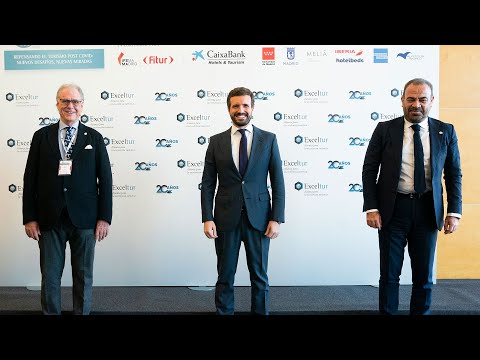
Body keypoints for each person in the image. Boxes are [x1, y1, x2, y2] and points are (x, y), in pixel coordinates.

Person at [362, 78, 462, 315]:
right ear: (402, 101)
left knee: (423, 276)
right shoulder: (385, 129)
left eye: (422, 99)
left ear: (431, 101)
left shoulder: (445, 131)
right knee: (389, 275)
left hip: (428, 211)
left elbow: (454, 173)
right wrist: (371, 207)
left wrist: (454, 212)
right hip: (392, 211)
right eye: (411, 99)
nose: (416, 104)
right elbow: (369, 169)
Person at [22, 83, 113, 315]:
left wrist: (104, 218)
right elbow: (30, 178)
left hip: (85, 220)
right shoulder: (41, 136)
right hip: (49, 219)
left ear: (82, 105)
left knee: (83, 274)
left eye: (74, 101)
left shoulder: (95, 137)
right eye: (65, 101)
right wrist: (29, 217)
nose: (69, 106)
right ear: (57, 104)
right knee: (50, 275)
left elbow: (105, 180)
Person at [200, 86, 285, 315]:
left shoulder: (268, 139)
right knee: (225, 276)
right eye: (236, 105)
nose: (241, 110)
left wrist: (276, 218)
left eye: (245, 105)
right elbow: (208, 183)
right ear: (229, 109)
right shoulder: (215, 142)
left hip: (259, 220)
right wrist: (207, 218)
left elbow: (278, 182)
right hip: (225, 220)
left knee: (259, 277)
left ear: (252, 108)